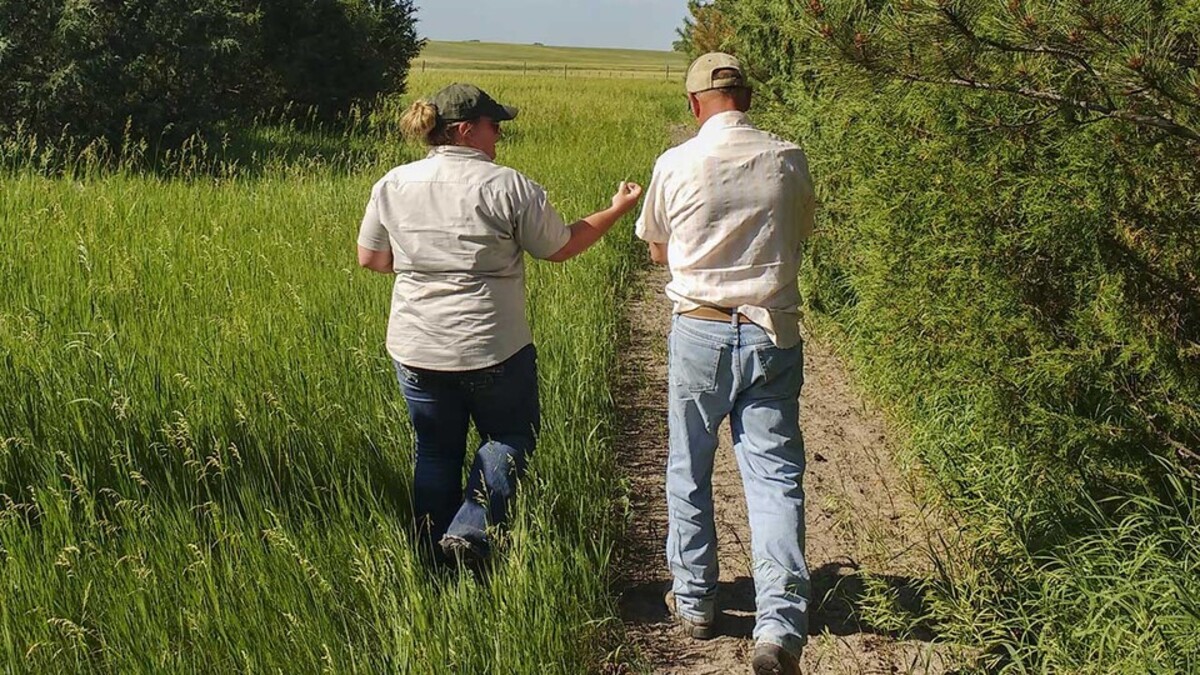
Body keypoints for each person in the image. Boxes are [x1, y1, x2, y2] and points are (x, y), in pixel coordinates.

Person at [357, 83, 643, 566]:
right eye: (495, 126)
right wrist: (616, 209)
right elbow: (560, 247)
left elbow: (371, 258)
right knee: (508, 438)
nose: (499, 136)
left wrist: (423, 267)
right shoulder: (508, 186)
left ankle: (431, 557)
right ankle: (470, 535)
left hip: (417, 346)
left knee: (433, 452)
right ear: (466, 130)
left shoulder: (393, 183)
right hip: (492, 345)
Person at [634, 53, 816, 675]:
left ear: (693, 105)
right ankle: (780, 627)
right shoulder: (788, 157)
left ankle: (695, 603)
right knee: (773, 479)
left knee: (690, 464)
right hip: (772, 332)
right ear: (748, 97)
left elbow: (657, 249)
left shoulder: (675, 163)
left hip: (701, 330)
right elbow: (800, 234)